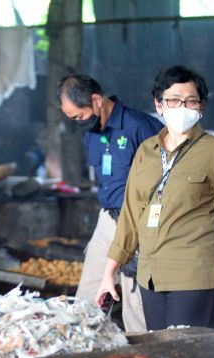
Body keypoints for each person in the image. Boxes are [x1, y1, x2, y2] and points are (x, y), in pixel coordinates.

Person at [96, 66, 214, 330]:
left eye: (191, 101)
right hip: (151, 277)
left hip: (195, 276)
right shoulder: (146, 151)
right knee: (161, 357)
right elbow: (130, 219)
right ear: (159, 105)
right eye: (174, 100)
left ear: (201, 107)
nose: (182, 107)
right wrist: (108, 273)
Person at [56, 75, 162, 333]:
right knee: (87, 298)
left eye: (78, 117)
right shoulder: (92, 134)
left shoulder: (140, 127)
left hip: (138, 220)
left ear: (95, 99)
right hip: (108, 219)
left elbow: (163, 183)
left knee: (135, 302)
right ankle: (84, 352)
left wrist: (146, 233)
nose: (78, 123)